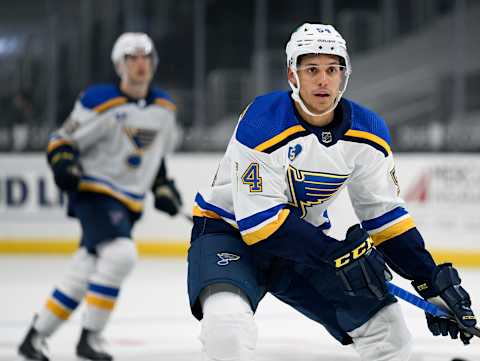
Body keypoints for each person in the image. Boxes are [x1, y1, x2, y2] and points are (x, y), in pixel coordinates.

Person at [187, 23, 477, 361]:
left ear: (344, 75)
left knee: (388, 332)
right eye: (311, 69)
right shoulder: (262, 122)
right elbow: (259, 224)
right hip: (230, 232)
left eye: (332, 69)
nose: (323, 79)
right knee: (228, 327)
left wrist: (430, 282)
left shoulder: (368, 132)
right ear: (293, 76)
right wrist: (335, 254)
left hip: (304, 245)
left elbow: (385, 217)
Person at [18, 32, 182, 361]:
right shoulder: (98, 100)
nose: (140, 65)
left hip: (127, 202)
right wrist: (64, 164)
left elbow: (154, 157)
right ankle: (90, 337)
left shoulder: (164, 108)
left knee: (85, 268)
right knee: (121, 255)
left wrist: (163, 186)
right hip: (94, 192)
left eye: (146, 58)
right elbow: (61, 140)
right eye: (132, 58)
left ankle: (35, 338)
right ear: (119, 65)